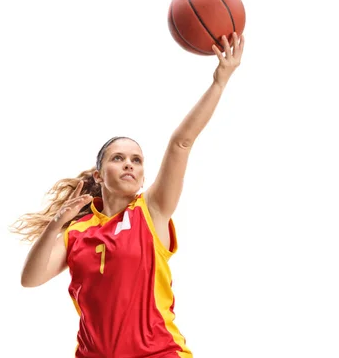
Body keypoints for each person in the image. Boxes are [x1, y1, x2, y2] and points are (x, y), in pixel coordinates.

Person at [12, 33, 245, 357]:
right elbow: (30, 280)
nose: (129, 165)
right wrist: (55, 225)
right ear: (99, 174)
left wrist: (219, 83)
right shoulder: (77, 233)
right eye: (118, 158)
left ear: (144, 176)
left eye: (136, 159)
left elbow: (181, 143)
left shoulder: (152, 212)